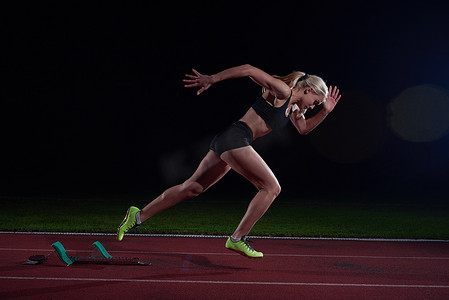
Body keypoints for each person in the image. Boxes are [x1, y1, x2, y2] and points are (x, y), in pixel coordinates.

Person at [116, 64, 341, 258]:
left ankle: (137, 215)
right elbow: (248, 69)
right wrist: (212, 78)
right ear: (309, 90)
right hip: (236, 138)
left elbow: (302, 129)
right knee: (271, 188)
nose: (313, 107)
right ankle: (238, 237)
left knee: (191, 188)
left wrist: (325, 112)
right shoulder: (282, 91)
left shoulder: (293, 108)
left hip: (229, 140)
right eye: (315, 102)